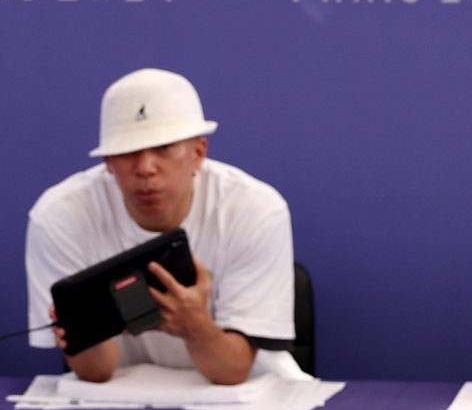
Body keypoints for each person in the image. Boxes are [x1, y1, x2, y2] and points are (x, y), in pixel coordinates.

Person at [26, 69, 296, 385]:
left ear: (198, 153)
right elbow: (94, 372)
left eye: (164, 147)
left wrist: (195, 327)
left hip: (243, 396)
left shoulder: (254, 209)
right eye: (128, 153)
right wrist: (83, 330)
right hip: (122, 399)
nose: (145, 169)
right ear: (108, 163)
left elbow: (233, 371)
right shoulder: (60, 216)